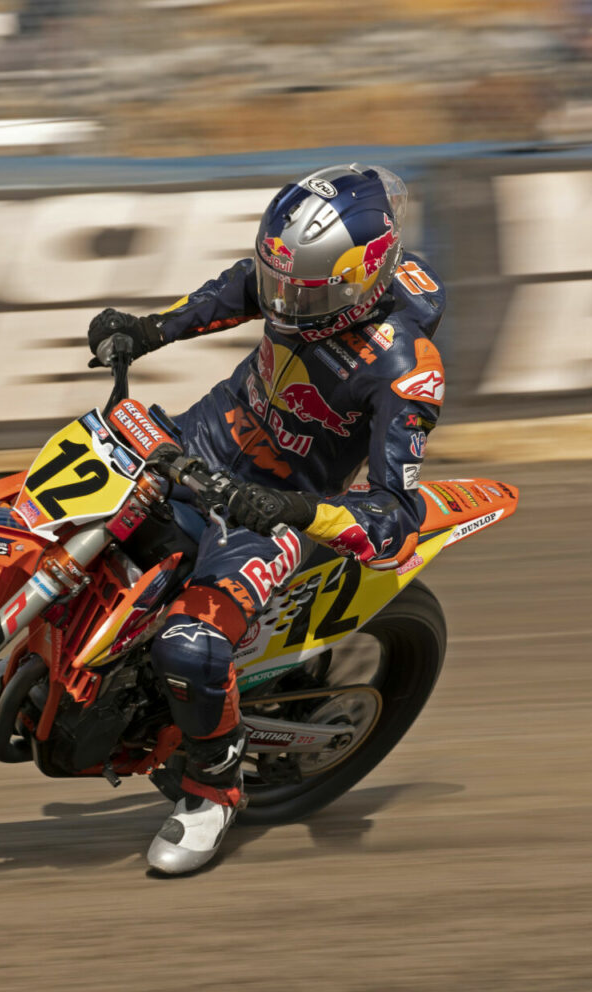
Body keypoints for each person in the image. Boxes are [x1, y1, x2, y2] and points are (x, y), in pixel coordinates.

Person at [86, 164, 447, 875]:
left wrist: (288, 509)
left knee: (189, 644)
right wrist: (149, 329)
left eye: (297, 291)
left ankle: (212, 789)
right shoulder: (299, 284)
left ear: (358, 281)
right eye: (275, 278)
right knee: (59, 501)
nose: (278, 301)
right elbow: (240, 288)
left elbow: (395, 516)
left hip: (275, 512)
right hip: (199, 438)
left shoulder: (406, 371)